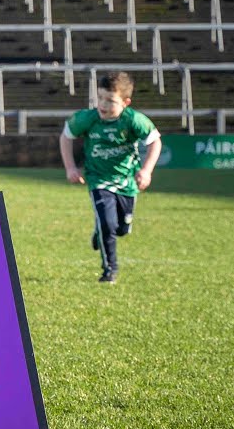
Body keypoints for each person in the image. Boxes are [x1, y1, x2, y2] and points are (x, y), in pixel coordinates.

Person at [59, 71, 161, 284]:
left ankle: (101, 230)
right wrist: (70, 168)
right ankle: (109, 270)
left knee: (121, 228)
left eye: (110, 101)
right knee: (108, 224)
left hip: (127, 181)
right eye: (100, 98)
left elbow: (154, 141)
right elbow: (66, 136)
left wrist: (146, 170)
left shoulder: (134, 120)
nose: (103, 105)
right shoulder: (88, 118)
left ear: (126, 102)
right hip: (98, 179)